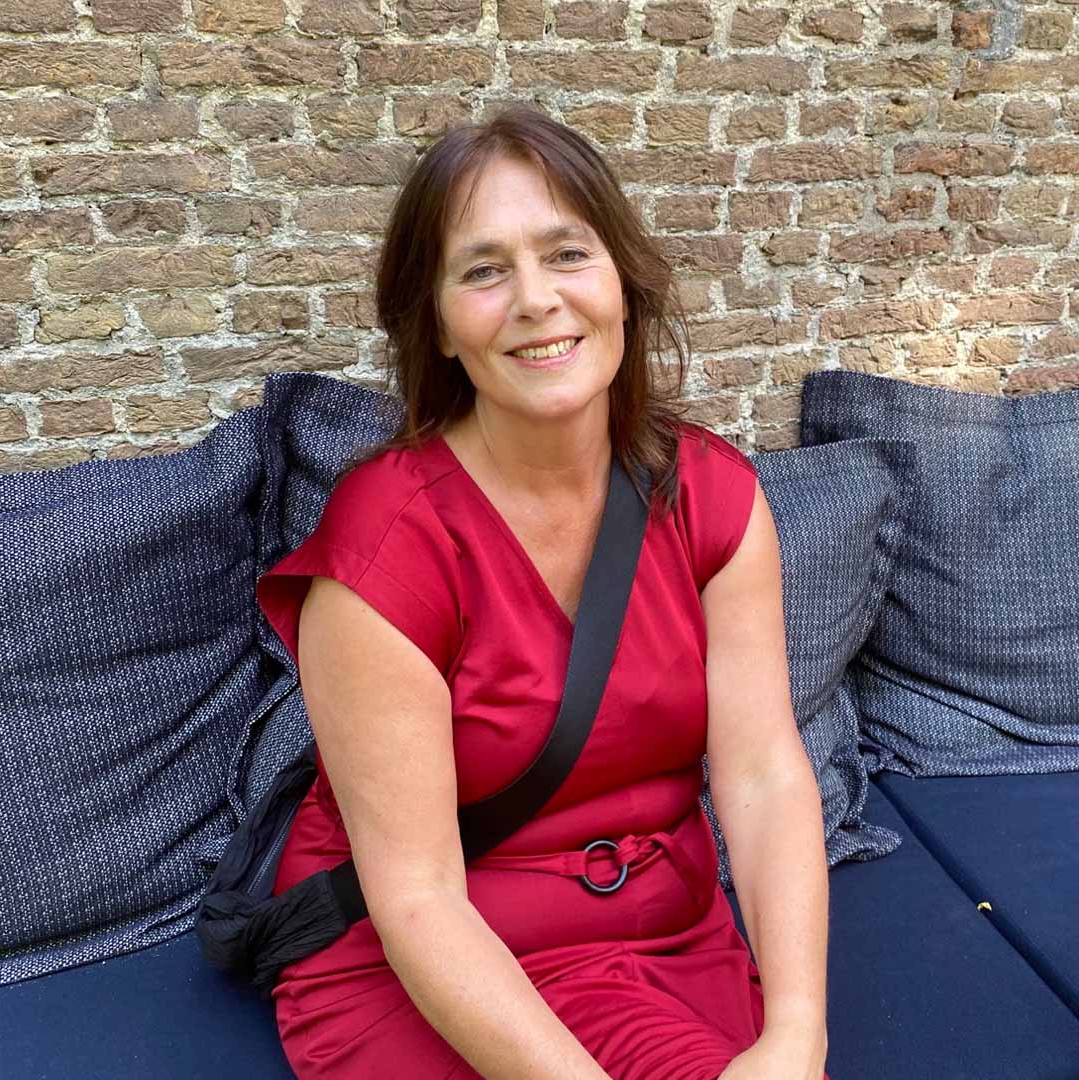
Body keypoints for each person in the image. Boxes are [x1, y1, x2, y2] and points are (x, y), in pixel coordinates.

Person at [255, 103, 830, 1080]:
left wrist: (796, 1033)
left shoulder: (714, 500)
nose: (535, 300)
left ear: (621, 282)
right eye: (483, 271)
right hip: (427, 963)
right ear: (438, 325)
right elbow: (419, 896)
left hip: (662, 943)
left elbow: (765, 774)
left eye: (566, 254)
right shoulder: (385, 547)